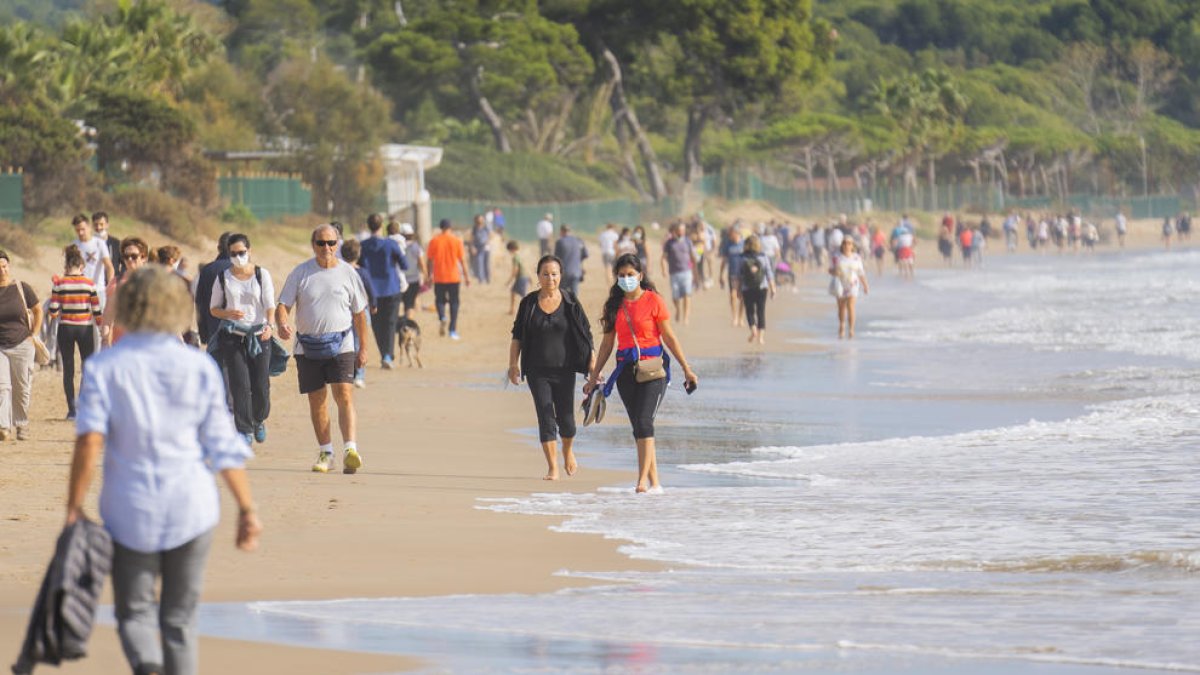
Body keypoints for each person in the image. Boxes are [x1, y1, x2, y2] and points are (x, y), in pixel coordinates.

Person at [65, 265, 261, 675]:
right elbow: (223, 446)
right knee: (179, 620)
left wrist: (73, 506)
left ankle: (149, 667)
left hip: (128, 508)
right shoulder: (198, 367)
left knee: (134, 613)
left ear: (129, 307)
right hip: (192, 508)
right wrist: (247, 509)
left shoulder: (105, 368)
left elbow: (89, 441)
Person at [583, 254, 698, 493]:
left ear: (640, 276)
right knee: (640, 426)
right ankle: (656, 484)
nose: (626, 279)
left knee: (645, 422)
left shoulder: (654, 301)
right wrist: (594, 377)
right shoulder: (613, 306)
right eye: (622, 275)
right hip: (625, 372)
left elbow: (669, 337)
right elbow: (606, 346)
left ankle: (641, 481)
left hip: (654, 370)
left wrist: (686, 369)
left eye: (631, 275)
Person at [276, 224, 370, 474]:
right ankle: (326, 452)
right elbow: (283, 304)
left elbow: (360, 314)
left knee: (345, 395)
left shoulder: (349, 273)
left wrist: (363, 349)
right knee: (317, 401)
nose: (326, 248)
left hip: (342, 344)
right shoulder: (301, 273)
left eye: (331, 243)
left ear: (338, 244)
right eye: (321, 243)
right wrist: (282, 323)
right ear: (313, 245)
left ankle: (351, 449)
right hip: (308, 347)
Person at [508, 255, 595, 480]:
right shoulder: (528, 303)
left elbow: (586, 334)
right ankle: (552, 467)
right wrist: (512, 365)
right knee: (545, 415)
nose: (550, 278)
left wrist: (592, 364)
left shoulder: (570, 301)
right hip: (537, 371)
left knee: (566, 418)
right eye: (545, 274)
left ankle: (567, 451)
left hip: (565, 369)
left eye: (554, 274)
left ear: (561, 275)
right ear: (538, 277)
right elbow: (517, 336)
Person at [209, 234, 276, 446]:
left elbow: (270, 305)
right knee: (240, 384)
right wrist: (228, 314)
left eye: (242, 253)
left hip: (259, 335)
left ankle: (259, 419)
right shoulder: (223, 277)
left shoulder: (261, 274)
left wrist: (270, 326)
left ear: (249, 251)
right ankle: (244, 429)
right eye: (234, 254)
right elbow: (213, 309)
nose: (238, 257)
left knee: (261, 385)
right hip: (233, 336)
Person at [47, 245, 101, 421]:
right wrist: (101, 328)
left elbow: (53, 311)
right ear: (82, 266)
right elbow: (96, 310)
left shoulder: (59, 283)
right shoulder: (89, 283)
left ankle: (72, 410)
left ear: (66, 265)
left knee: (68, 370)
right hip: (85, 328)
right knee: (87, 367)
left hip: (66, 328)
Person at [0, 250, 42, 441]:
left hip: (22, 344)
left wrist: (33, 335)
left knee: (22, 387)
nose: (2, 270)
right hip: (1, 346)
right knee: (2, 387)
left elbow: (38, 310)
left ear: (9, 266)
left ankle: (21, 423)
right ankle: (4, 426)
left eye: (4, 266)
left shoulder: (21, 287)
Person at [358, 213, 408, 369]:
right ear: (381, 226)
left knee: (377, 324)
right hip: (391, 288)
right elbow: (404, 264)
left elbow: (357, 265)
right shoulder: (391, 244)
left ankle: (384, 354)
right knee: (391, 322)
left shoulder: (363, 245)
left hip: (371, 290)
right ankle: (387, 355)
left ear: (368, 226)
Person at [426, 218, 471, 340]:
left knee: (439, 300)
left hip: (439, 277)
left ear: (440, 227)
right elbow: (462, 261)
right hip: (454, 277)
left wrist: (429, 275)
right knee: (454, 303)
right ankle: (452, 330)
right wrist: (466, 277)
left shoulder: (434, 241)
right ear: (451, 227)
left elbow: (429, 260)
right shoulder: (457, 241)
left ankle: (442, 317)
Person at [101, 237, 150, 346]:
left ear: (144, 257)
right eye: (126, 256)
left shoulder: (153, 282)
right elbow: (108, 317)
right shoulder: (116, 283)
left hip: (148, 344)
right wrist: (104, 341)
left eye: (134, 256)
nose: (129, 260)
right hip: (121, 345)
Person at [340, 239, 376, 389]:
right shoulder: (363, 272)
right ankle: (359, 376)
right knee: (359, 343)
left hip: (342, 311)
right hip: (361, 311)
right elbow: (371, 291)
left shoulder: (339, 272)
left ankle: (345, 373)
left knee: (343, 344)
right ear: (359, 254)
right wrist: (374, 305)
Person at [194, 232, 232, 346]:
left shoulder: (207, 270)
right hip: (241, 333)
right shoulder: (246, 270)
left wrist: (203, 333)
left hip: (213, 331)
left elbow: (200, 303)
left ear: (218, 248)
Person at [829, 237, 870, 339]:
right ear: (842, 245)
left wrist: (865, 285)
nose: (847, 245)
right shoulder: (836, 257)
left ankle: (851, 329)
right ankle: (842, 325)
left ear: (852, 246)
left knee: (851, 306)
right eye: (845, 243)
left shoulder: (857, 257)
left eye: (849, 243)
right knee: (841, 308)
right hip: (840, 284)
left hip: (853, 284)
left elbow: (860, 272)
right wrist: (834, 272)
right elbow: (830, 270)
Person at [738, 235, 775, 344]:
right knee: (761, 311)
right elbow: (769, 273)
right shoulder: (763, 257)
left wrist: (739, 289)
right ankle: (761, 338)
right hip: (762, 287)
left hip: (747, 288)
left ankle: (753, 330)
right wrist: (773, 287)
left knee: (750, 311)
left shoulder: (742, 258)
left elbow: (739, 275)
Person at [660, 222, 694, 324]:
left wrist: (695, 272)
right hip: (674, 273)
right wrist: (663, 269)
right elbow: (663, 258)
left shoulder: (688, 241)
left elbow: (693, 256)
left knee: (687, 294)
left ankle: (686, 317)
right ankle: (678, 309)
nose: (681, 232)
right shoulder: (669, 243)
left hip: (686, 272)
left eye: (683, 230)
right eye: (679, 230)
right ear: (675, 231)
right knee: (675, 296)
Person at [394, 222, 426, 320]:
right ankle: (408, 324)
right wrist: (426, 275)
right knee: (410, 305)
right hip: (413, 279)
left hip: (399, 279)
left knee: (400, 304)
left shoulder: (396, 246)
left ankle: (402, 321)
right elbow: (421, 262)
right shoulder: (416, 246)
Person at [718, 226, 745, 326]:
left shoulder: (744, 243)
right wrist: (721, 275)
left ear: (737, 233)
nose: (729, 236)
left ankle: (741, 317)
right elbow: (724, 260)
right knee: (733, 296)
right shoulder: (728, 245)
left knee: (742, 297)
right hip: (732, 273)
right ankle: (734, 317)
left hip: (743, 273)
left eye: (731, 234)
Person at [553, 224, 588, 297]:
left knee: (562, 295)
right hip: (576, 272)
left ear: (561, 231)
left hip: (564, 273)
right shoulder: (579, 241)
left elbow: (555, 259)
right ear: (570, 231)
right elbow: (585, 254)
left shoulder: (560, 242)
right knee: (574, 296)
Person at [92, 211, 123, 280]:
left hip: (112, 283)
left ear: (107, 225)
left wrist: (120, 278)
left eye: (101, 224)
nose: (98, 227)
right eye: (96, 225)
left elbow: (124, 263)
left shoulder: (116, 243)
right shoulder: (89, 244)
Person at [506, 240, 529, 315]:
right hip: (524, 277)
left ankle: (528, 310)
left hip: (521, 278)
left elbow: (515, 270)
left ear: (511, 249)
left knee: (524, 296)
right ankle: (512, 310)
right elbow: (525, 267)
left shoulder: (515, 258)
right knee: (514, 292)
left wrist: (509, 281)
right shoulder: (519, 256)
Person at [469, 214, 492, 284]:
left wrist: (487, 242)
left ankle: (487, 278)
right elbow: (472, 238)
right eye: (478, 219)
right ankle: (481, 279)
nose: (480, 221)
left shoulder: (486, 227)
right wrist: (472, 247)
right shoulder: (474, 228)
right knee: (479, 263)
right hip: (478, 248)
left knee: (486, 263)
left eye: (481, 219)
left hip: (486, 248)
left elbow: (491, 235)